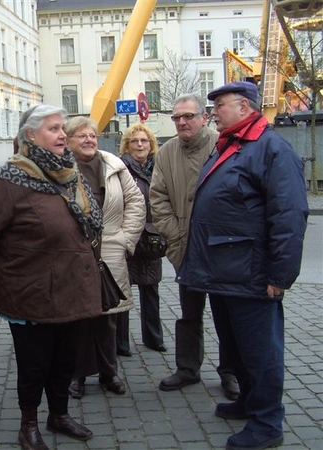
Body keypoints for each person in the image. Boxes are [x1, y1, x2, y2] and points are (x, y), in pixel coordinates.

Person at [178, 81, 308, 450]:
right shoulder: (234, 144)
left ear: (245, 107)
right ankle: (250, 401)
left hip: (251, 274)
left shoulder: (270, 149)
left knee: (261, 351)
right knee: (237, 347)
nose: (214, 112)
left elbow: (289, 216)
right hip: (225, 272)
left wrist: (280, 275)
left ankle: (267, 424)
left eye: (219, 105)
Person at [0, 104, 103, 450]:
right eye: (54, 129)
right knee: (34, 364)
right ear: (31, 135)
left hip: (74, 287)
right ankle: (28, 424)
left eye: (62, 128)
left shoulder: (70, 172)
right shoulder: (7, 179)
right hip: (31, 293)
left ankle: (59, 415)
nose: (62, 135)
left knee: (65, 359)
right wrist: (2, 267)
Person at [150, 93, 239, 400]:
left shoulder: (223, 146)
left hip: (220, 248)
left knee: (226, 313)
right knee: (189, 313)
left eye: (188, 116)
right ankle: (187, 369)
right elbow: (157, 197)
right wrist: (175, 237)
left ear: (205, 117)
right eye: (177, 117)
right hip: (184, 248)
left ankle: (231, 372)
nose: (182, 122)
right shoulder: (167, 152)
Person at [64, 116, 144, 399]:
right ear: (68, 140)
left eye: (92, 136)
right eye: (81, 136)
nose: (89, 140)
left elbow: (135, 201)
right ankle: (78, 375)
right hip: (74, 252)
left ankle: (110, 373)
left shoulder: (113, 164)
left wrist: (125, 238)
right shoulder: (60, 167)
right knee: (78, 317)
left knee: (107, 317)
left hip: (109, 248)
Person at [118, 123, 167, 355]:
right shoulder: (119, 168)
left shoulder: (159, 167)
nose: (140, 144)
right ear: (126, 145)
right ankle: (121, 343)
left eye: (144, 141)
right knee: (122, 292)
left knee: (151, 290)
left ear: (151, 144)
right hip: (127, 238)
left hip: (152, 239)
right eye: (135, 141)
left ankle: (153, 338)